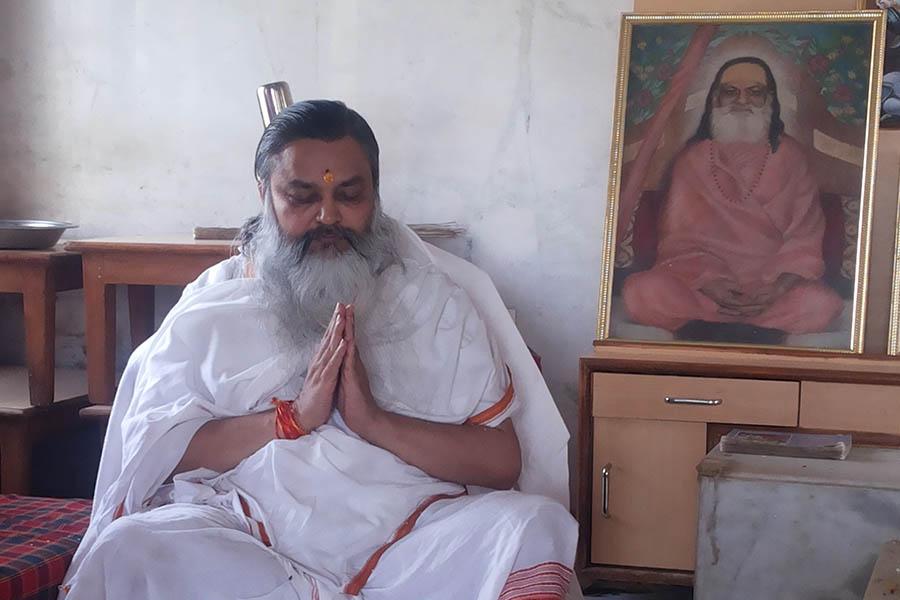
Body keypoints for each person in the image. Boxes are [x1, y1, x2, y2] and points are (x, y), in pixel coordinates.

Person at [61, 100, 577, 600]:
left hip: (413, 539)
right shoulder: (216, 308)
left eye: (349, 195)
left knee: (533, 526)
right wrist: (292, 419)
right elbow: (161, 459)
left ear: (376, 194)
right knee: (131, 548)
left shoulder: (431, 302)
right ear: (265, 193)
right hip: (250, 536)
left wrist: (372, 421)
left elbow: (500, 462)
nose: (328, 216)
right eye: (301, 196)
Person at [622, 57, 844, 339]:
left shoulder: (792, 158)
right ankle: (734, 320)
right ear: (715, 97)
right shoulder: (693, 161)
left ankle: (714, 322)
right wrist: (709, 281)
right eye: (730, 91)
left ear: (770, 99)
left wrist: (777, 287)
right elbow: (678, 241)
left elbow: (805, 238)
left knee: (821, 304)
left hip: (770, 289)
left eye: (754, 91)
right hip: (703, 287)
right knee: (641, 293)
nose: (742, 100)